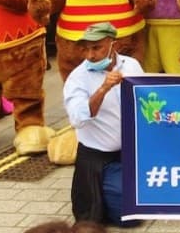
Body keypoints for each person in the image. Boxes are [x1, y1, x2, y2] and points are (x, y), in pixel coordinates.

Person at [63, 22, 144, 227]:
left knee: (138, 210)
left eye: (96, 47)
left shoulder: (131, 65)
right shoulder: (77, 78)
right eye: (85, 49)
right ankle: (105, 195)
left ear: (112, 44)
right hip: (98, 157)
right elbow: (78, 118)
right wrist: (103, 89)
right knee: (100, 221)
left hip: (130, 151)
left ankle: (118, 190)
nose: (90, 55)